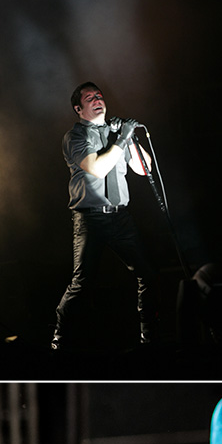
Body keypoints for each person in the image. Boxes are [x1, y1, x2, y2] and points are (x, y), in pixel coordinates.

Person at [53, 81, 156, 349]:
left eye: (100, 96)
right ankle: (59, 342)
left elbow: (144, 169)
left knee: (148, 273)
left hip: (120, 216)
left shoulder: (116, 134)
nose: (98, 100)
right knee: (82, 284)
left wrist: (129, 136)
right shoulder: (74, 137)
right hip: (91, 219)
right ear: (79, 108)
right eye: (90, 98)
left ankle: (149, 340)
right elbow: (97, 169)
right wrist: (120, 140)